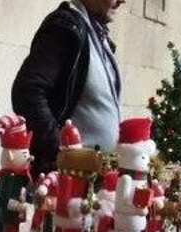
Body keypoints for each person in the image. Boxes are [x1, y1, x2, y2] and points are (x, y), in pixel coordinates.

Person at [12, 0, 125, 172]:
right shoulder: (65, 27)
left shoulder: (96, 34)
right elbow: (27, 91)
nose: (123, 1)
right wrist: (60, 151)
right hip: (70, 179)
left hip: (97, 175)